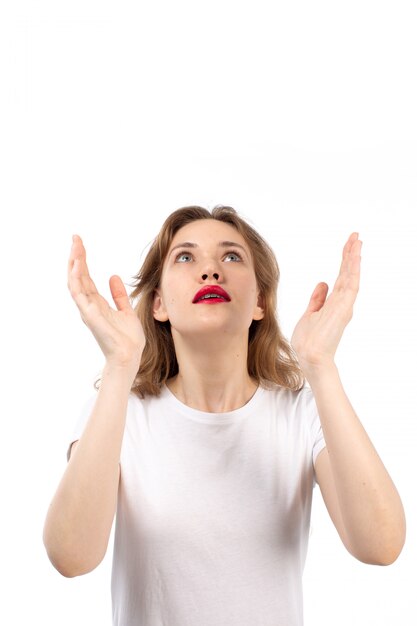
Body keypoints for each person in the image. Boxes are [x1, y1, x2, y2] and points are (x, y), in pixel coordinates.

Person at [43, 205, 406, 626]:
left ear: (260, 303)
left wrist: (321, 367)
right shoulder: (120, 409)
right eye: (185, 257)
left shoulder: (303, 412)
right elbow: (71, 556)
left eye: (231, 257)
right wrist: (120, 365)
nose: (211, 270)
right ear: (158, 303)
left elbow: (381, 546)